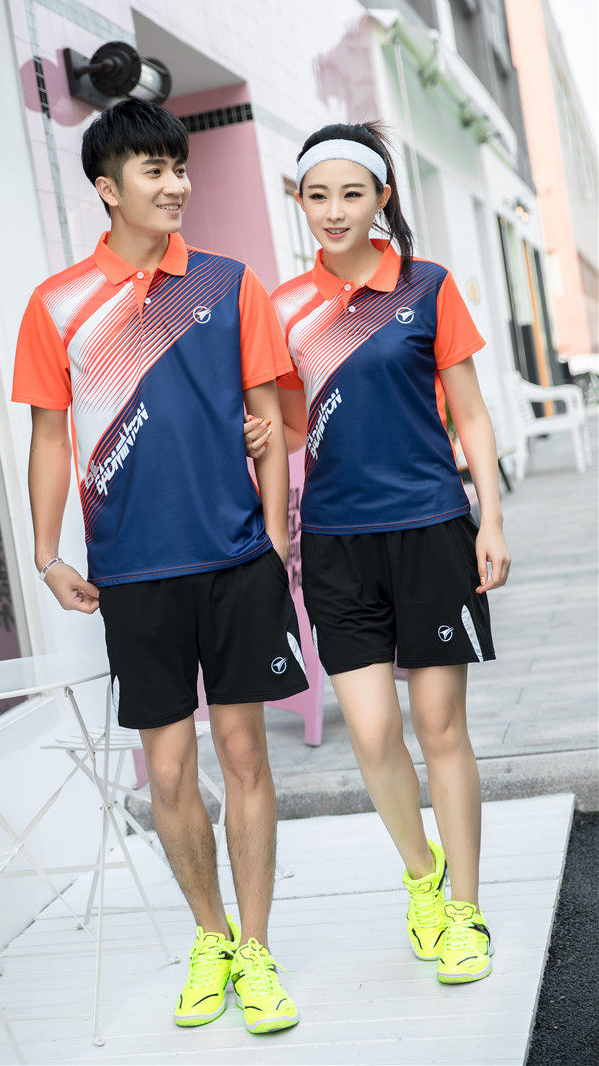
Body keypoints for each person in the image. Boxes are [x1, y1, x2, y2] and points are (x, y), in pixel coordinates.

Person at [12, 99, 306, 1033]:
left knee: (245, 755)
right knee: (170, 772)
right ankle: (210, 937)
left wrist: (274, 538)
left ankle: (255, 949)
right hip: (133, 572)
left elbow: (267, 418)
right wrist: (46, 553)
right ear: (108, 188)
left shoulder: (227, 283)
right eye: (155, 170)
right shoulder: (57, 305)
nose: (176, 184)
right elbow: (50, 437)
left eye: (180, 168)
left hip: (235, 557)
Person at [245, 121, 511, 985]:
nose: (333, 211)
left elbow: (470, 413)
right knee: (370, 728)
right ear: (300, 200)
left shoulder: (427, 286)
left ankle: (465, 910)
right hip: (334, 544)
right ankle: (422, 876)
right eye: (317, 195)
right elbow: (292, 425)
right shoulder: (283, 308)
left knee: (440, 727)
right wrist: (258, 436)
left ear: (381, 199)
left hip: (432, 528)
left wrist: (491, 520)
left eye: (351, 194)